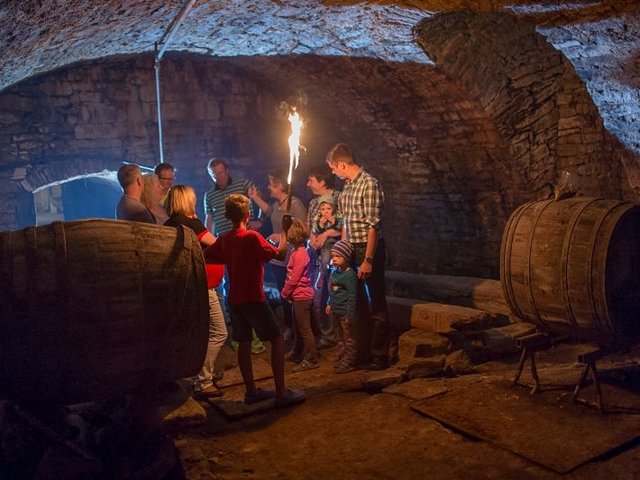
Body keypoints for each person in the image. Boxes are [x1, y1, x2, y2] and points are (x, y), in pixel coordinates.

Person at [204, 194, 305, 408]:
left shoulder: (224, 238)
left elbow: (208, 255)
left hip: (234, 299)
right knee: (277, 339)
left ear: (227, 215)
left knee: (244, 343)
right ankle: (280, 393)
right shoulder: (252, 237)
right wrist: (285, 231)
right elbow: (279, 254)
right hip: (253, 297)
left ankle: (251, 391)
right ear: (248, 214)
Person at [326, 143, 390, 371]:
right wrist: (343, 249)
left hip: (367, 248)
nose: (334, 172)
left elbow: (373, 226)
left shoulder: (369, 185)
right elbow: (345, 222)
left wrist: (368, 260)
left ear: (342, 164)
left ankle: (379, 355)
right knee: (358, 304)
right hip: (352, 248)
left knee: (376, 302)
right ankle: (361, 351)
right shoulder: (347, 187)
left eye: (334, 168)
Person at [164, 185, 227, 398]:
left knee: (199, 333)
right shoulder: (190, 224)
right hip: (203, 286)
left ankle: (197, 374)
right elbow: (217, 245)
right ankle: (204, 381)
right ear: (185, 201)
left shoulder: (169, 223)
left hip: (189, 285)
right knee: (219, 332)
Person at [204, 157, 264, 354]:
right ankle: (241, 335)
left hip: (245, 243)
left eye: (221, 172)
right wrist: (208, 244)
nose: (218, 177)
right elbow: (209, 220)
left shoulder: (242, 184)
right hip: (226, 247)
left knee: (251, 285)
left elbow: (259, 202)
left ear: (227, 170)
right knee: (231, 288)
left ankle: (255, 335)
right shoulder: (210, 195)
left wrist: (260, 223)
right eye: (214, 174)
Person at [249, 171, 307, 342]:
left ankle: (300, 329)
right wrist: (254, 197)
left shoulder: (295, 204)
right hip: (278, 257)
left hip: (292, 256)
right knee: (284, 293)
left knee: (294, 294)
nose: (269, 188)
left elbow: (302, 229)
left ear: (280, 186)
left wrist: (281, 237)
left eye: (272, 185)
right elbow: (268, 211)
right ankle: (289, 327)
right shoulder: (277, 204)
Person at [306, 166, 342, 349]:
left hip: (334, 254)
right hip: (317, 256)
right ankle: (326, 335)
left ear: (322, 181)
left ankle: (341, 336)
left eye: (311, 180)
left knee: (335, 293)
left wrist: (327, 233)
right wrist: (312, 237)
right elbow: (310, 225)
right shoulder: (314, 203)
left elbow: (344, 226)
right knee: (318, 297)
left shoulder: (338, 198)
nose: (308, 184)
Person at [280, 220, 318, 372]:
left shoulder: (300, 254)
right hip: (298, 295)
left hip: (302, 296)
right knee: (298, 327)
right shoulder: (296, 252)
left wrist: (285, 292)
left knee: (305, 329)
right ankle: (297, 352)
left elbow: (294, 278)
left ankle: (311, 359)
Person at [326, 240, 357, 374]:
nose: (335, 259)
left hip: (344, 313)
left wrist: (350, 314)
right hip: (335, 311)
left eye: (338, 256)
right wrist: (329, 303)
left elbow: (352, 296)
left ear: (346, 257)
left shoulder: (350, 275)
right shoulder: (335, 272)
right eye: (333, 257)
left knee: (349, 338)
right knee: (340, 337)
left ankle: (350, 360)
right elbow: (332, 290)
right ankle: (342, 355)